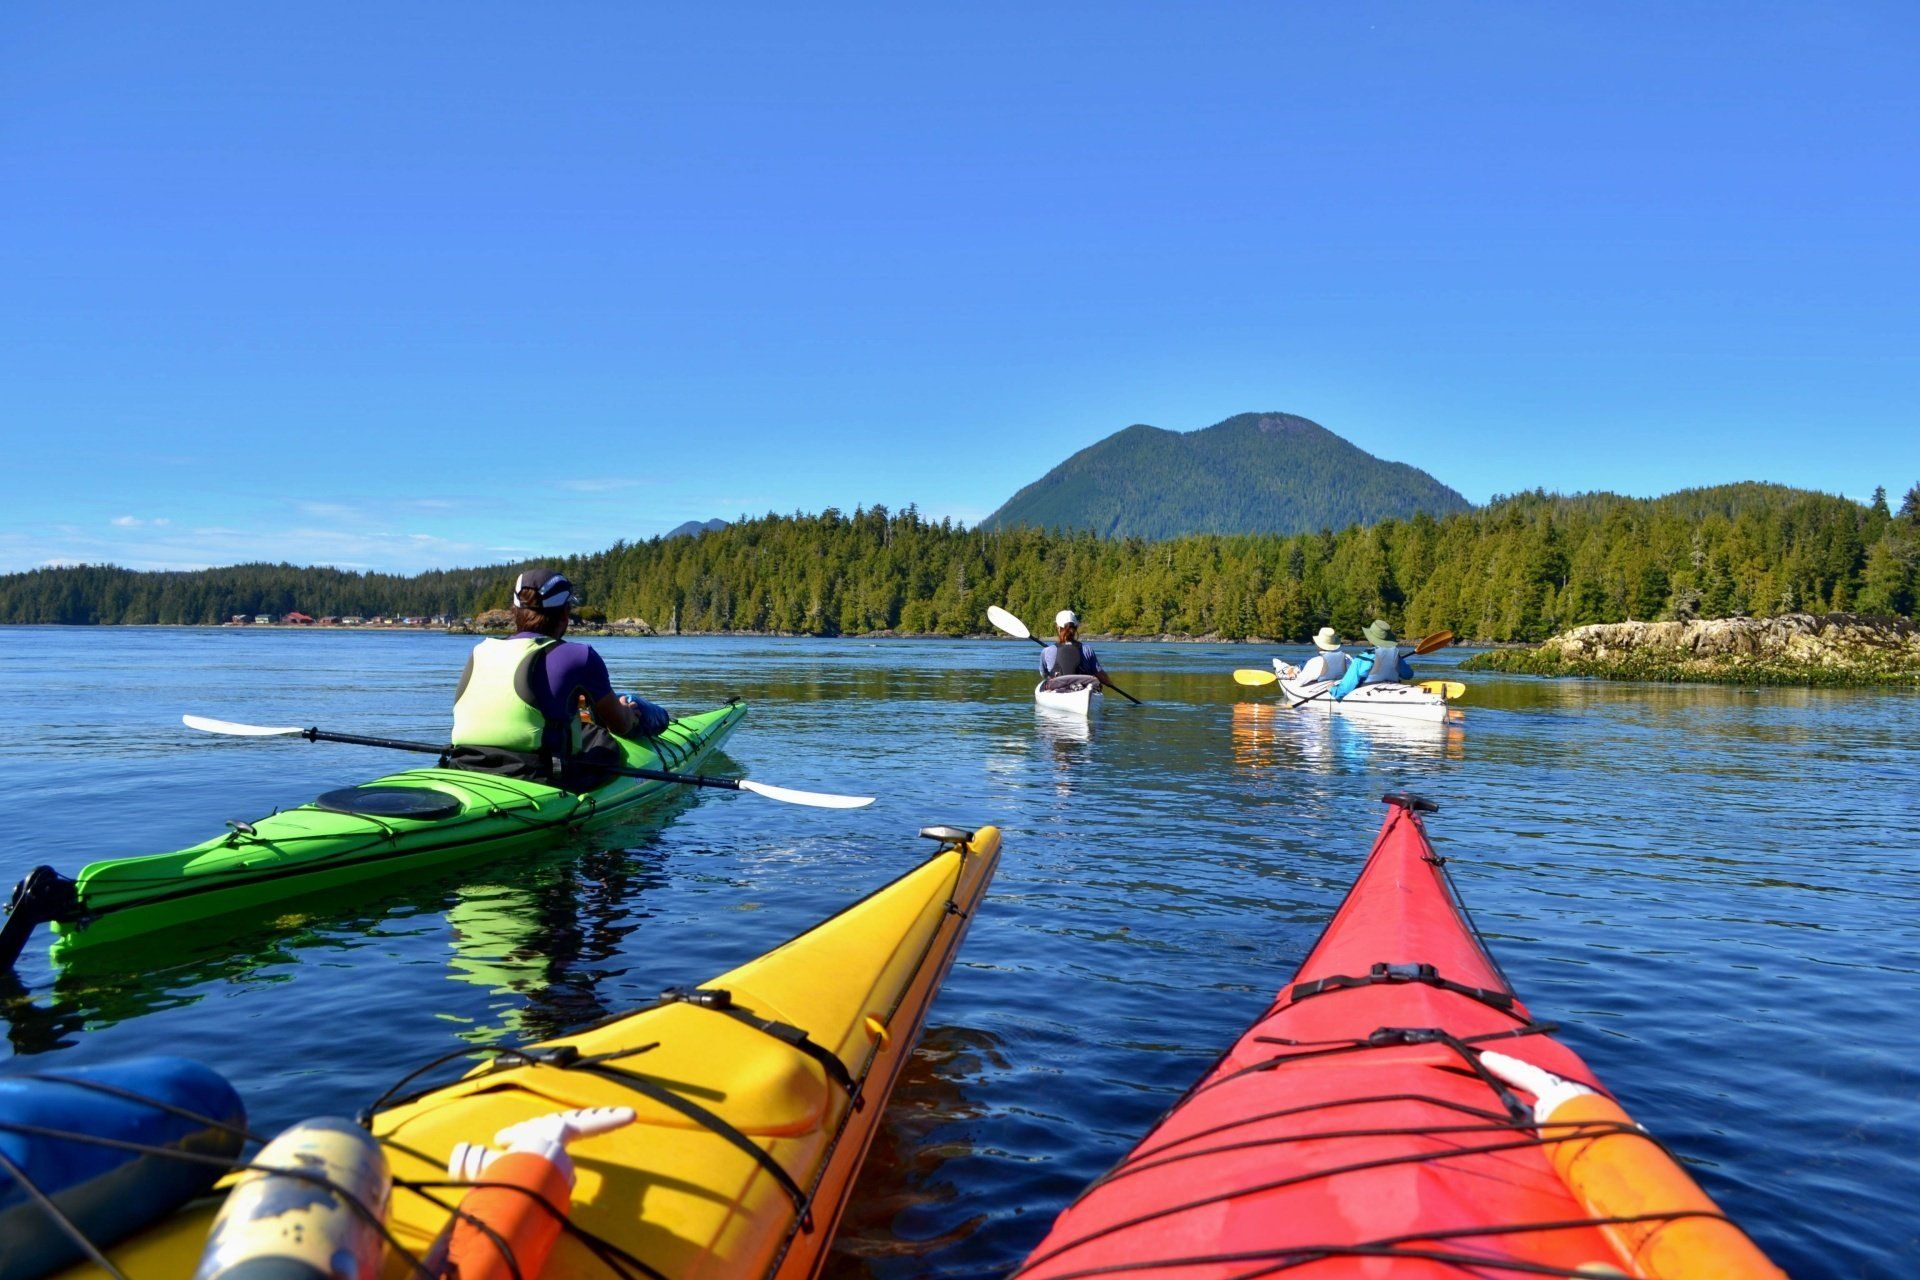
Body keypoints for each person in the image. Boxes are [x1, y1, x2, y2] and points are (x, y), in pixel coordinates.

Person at [448, 568, 671, 789]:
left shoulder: (480, 651)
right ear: (565, 612)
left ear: (516, 611)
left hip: (463, 764)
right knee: (618, 722)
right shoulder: (580, 656)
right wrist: (629, 713)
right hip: (535, 775)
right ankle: (665, 719)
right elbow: (620, 726)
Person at [1039, 610, 1114, 690]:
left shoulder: (1046, 651)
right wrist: (1109, 683)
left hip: (1057, 690)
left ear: (1058, 628)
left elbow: (1044, 674)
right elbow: (1100, 675)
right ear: (1076, 628)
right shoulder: (1087, 650)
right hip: (1082, 690)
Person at [1277, 627, 1350, 687]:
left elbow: (1299, 682)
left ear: (1318, 645)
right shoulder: (1347, 658)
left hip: (1323, 690)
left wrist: (1292, 673)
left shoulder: (1316, 662)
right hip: (1341, 687)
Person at [1356, 618, 1416, 686]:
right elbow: (1408, 674)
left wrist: (1341, 695)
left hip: (1368, 690)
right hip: (1392, 689)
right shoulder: (1395, 656)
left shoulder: (1365, 656)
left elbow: (1349, 684)